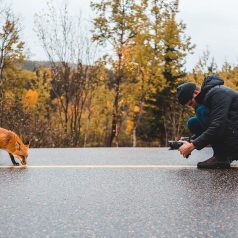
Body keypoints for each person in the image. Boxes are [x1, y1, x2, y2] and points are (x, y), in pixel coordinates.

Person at [176, 75, 238, 169]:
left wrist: (193, 145)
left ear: (196, 93)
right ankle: (222, 156)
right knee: (193, 122)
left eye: (191, 103)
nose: (192, 107)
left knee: (201, 111)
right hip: (232, 132)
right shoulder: (209, 96)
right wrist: (191, 141)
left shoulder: (218, 93)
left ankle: (221, 157)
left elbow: (218, 125)